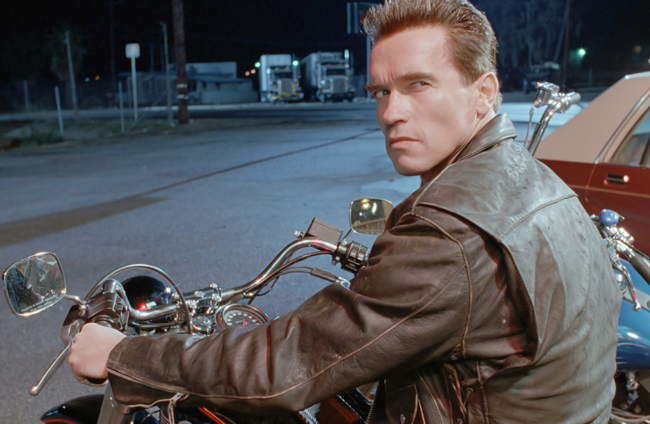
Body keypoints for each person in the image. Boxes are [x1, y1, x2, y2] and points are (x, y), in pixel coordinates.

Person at [70, 0, 621, 422]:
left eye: (418, 85)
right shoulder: (538, 181)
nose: (392, 112)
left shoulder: (449, 232)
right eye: (381, 92)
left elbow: (284, 367)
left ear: (484, 92)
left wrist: (124, 356)